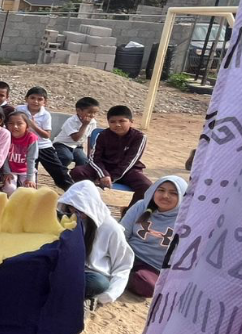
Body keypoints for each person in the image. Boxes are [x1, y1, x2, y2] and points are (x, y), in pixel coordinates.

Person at [58, 180, 134, 309]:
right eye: (72, 207)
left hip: (89, 274)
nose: (75, 212)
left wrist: (111, 294)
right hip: (65, 268)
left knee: (98, 283)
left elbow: (123, 264)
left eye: (80, 209)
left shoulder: (111, 228)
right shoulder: (65, 218)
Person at [70, 105, 150, 205]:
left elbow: (130, 161)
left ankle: (129, 214)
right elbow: (94, 159)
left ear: (131, 121)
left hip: (128, 170)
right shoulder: (103, 135)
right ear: (108, 123)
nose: (117, 125)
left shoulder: (139, 137)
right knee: (77, 172)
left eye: (122, 121)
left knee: (147, 187)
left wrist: (111, 178)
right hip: (104, 167)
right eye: (113, 122)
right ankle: (88, 205)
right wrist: (103, 174)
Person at [120, 176, 186, 297]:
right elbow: (122, 233)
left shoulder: (184, 221)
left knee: (148, 286)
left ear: (182, 197)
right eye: (161, 190)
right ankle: (119, 273)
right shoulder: (141, 206)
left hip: (152, 267)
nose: (165, 196)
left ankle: (119, 276)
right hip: (127, 255)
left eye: (173, 193)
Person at [16, 86, 71, 190]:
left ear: (45, 102)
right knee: (29, 175)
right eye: (32, 98)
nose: (35, 101)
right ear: (26, 99)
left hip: (43, 146)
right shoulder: (19, 109)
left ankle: (73, 194)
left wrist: (32, 124)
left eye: (40, 99)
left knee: (59, 172)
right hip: (26, 146)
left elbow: (46, 135)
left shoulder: (45, 115)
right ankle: (27, 197)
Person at [55, 97, 100, 172]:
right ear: (79, 111)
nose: (92, 115)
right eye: (90, 112)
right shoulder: (71, 121)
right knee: (67, 157)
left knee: (83, 160)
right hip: (62, 144)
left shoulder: (93, 122)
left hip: (77, 146)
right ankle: (60, 173)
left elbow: (90, 137)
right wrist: (84, 125)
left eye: (95, 113)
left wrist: (90, 154)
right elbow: (75, 138)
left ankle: (75, 175)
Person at [2, 110, 39, 195]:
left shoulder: (31, 138)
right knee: (10, 189)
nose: (15, 127)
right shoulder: (5, 136)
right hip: (11, 169)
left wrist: (30, 178)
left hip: (26, 170)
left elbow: (31, 159)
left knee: (29, 190)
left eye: (19, 124)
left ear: (27, 126)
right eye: (11, 123)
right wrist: (7, 172)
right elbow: (3, 156)